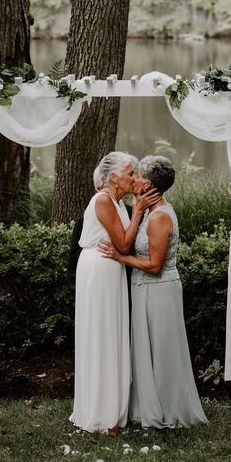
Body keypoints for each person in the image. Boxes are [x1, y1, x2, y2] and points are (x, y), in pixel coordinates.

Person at [99, 155, 208, 429]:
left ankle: (170, 408)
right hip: (143, 289)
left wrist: (119, 257)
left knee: (163, 350)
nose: (133, 179)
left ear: (147, 184)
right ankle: (146, 406)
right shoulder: (147, 210)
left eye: (137, 176)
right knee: (147, 349)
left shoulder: (159, 217)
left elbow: (154, 265)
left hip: (159, 290)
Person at [69, 152, 159, 434]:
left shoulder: (118, 201)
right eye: (130, 173)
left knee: (112, 334)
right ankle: (99, 411)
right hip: (99, 270)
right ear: (113, 178)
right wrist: (139, 212)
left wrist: (135, 211)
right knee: (100, 334)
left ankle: (113, 407)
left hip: (111, 270)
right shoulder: (104, 200)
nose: (135, 178)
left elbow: (126, 246)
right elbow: (122, 245)